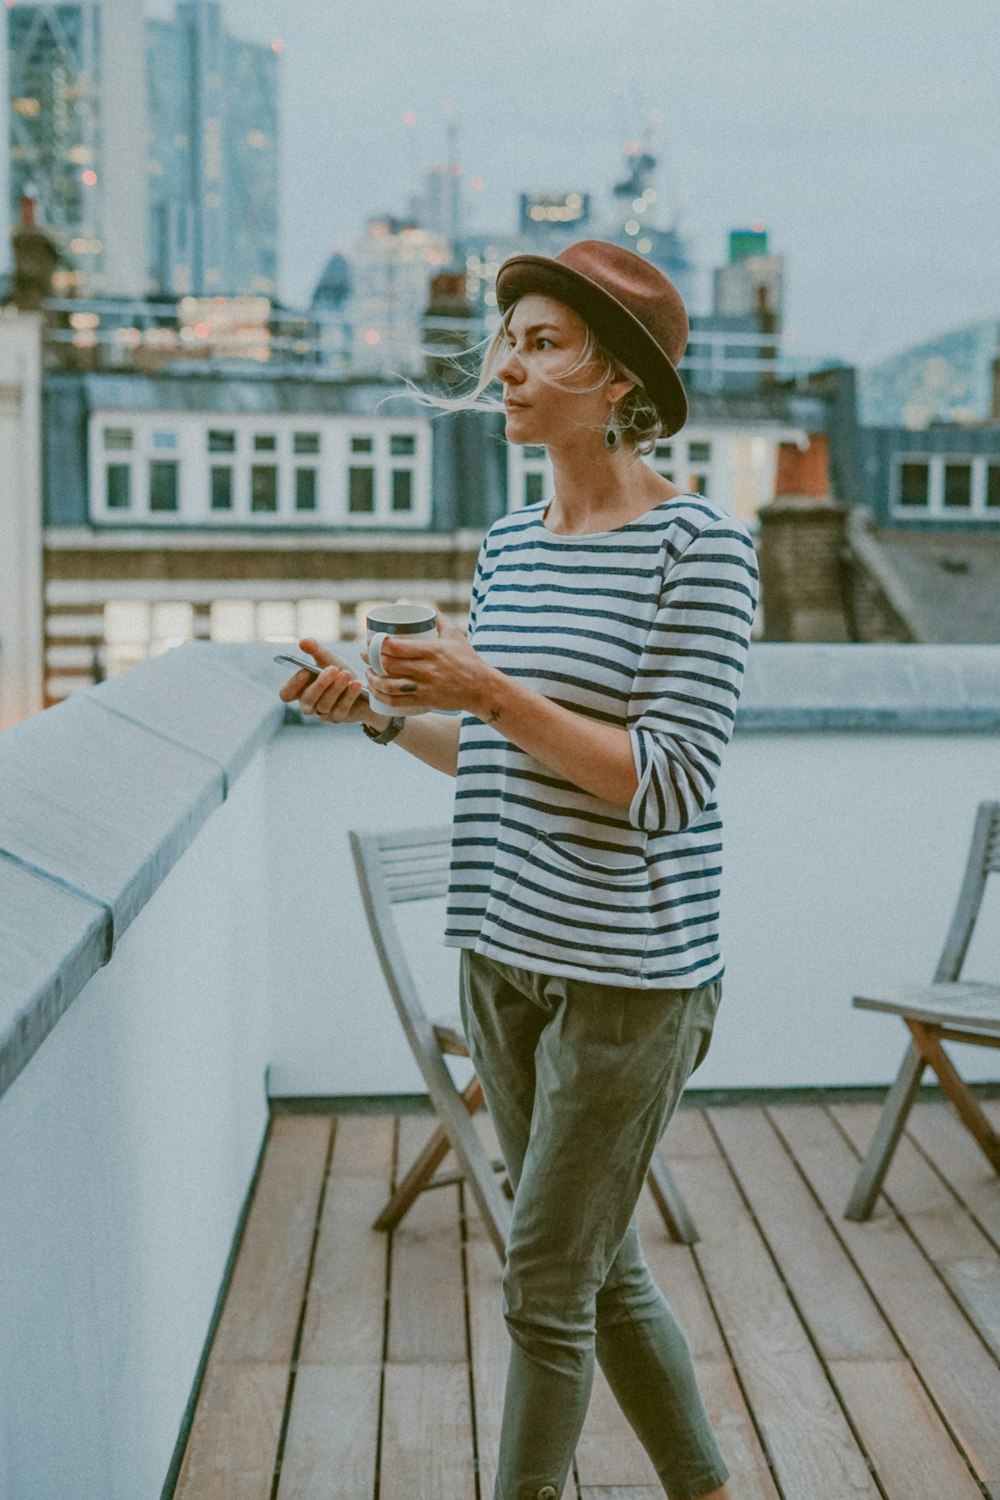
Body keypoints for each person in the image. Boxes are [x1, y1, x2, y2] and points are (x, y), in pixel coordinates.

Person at [280, 240, 758, 1500]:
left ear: (621, 384)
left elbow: (662, 781)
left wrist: (488, 684)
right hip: (502, 955)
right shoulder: (509, 544)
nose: (508, 365)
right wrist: (380, 715)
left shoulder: (699, 548)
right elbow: (495, 759)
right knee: (601, 1271)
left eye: (543, 343)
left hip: (627, 982)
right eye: (511, 340)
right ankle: (707, 1489)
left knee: (542, 1288)